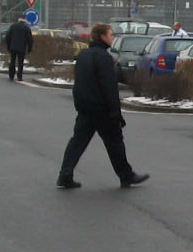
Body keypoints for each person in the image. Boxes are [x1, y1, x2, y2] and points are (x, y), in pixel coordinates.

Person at [57, 23, 148, 190]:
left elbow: (79, 83)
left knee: (77, 142)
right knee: (115, 142)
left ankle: (65, 174)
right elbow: (109, 87)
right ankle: (126, 175)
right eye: (111, 35)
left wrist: (80, 104)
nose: (113, 38)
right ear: (103, 37)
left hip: (85, 108)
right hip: (102, 109)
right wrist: (115, 112)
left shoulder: (83, 55)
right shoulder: (104, 58)